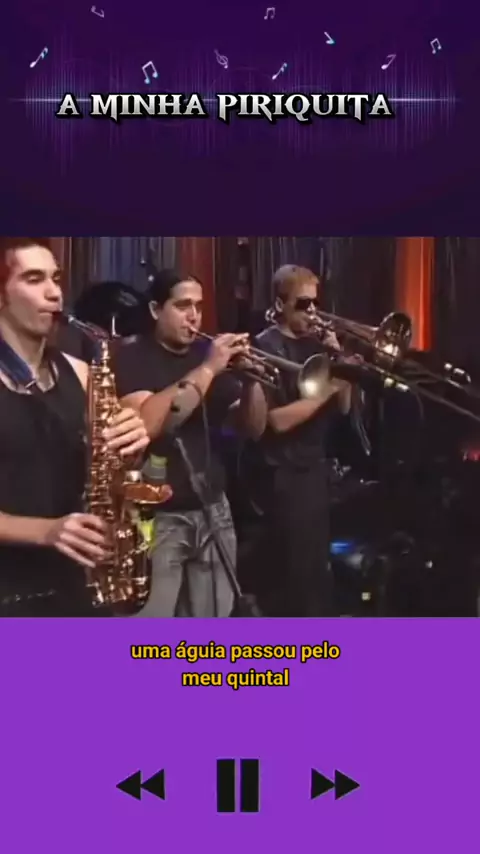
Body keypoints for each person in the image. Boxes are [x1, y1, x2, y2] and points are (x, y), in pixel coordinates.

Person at [0, 237, 150, 617]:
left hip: (77, 585)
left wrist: (130, 449)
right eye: (33, 279)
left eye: (55, 278)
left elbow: (107, 472)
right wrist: (44, 531)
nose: (54, 293)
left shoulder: (81, 373)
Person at [113, 268, 268, 618]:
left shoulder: (204, 354)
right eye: (183, 306)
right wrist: (209, 369)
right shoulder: (131, 355)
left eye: (198, 306)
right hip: (158, 518)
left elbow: (253, 428)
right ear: (156, 309)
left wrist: (251, 383)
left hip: (213, 509)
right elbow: (147, 424)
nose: (194, 316)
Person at [253, 264, 355, 617]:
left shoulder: (317, 344)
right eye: (303, 304)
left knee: (316, 574)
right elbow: (276, 421)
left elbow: (344, 408)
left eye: (316, 304)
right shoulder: (265, 346)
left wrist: (339, 361)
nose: (312, 312)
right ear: (279, 304)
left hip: (315, 471)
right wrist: (328, 390)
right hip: (283, 474)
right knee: (295, 579)